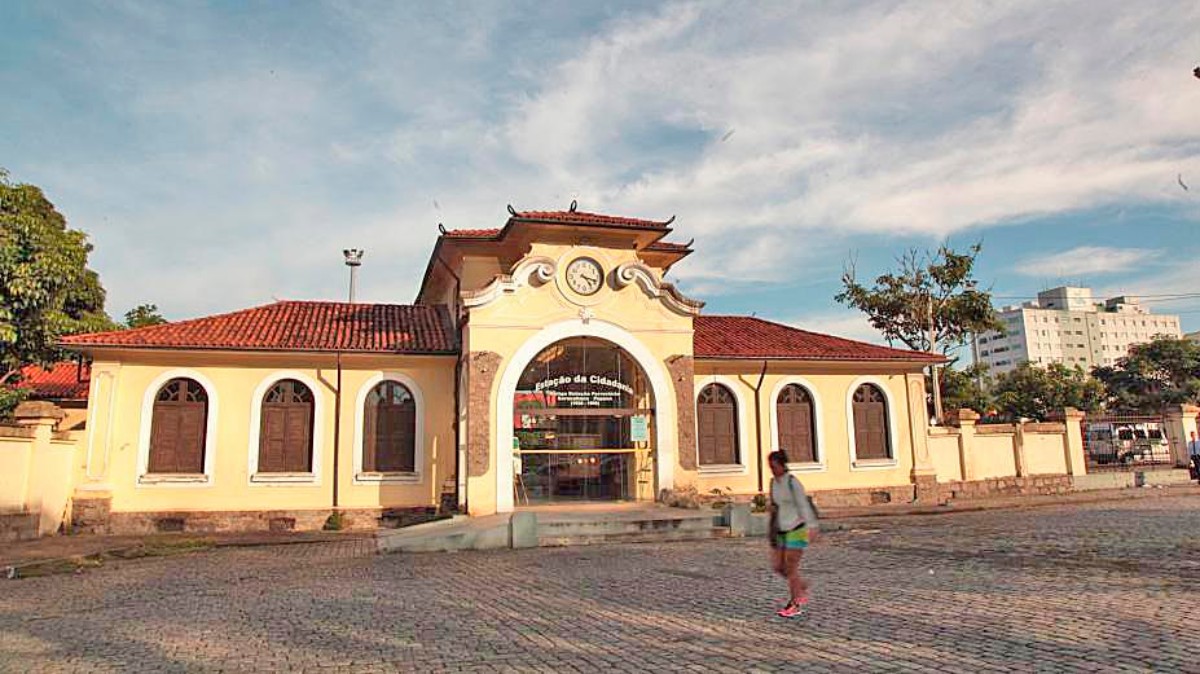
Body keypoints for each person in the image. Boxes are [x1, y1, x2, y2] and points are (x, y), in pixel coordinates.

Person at [767, 450, 819, 618]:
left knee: (790, 568)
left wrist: (812, 526)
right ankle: (801, 587)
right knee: (779, 567)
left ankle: (795, 604)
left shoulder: (792, 483)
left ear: (783, 465)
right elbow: (775, 506)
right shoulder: (773, 483)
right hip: (781, 530)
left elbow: (803, 505)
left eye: (775, 467)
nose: (773, 470)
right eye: (770, 467)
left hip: (797, 529)